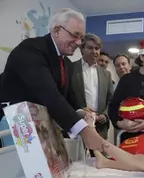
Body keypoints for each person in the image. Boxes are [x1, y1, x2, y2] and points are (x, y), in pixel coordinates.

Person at [0, 8, 106, 151]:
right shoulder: (31, 50)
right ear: (57, 30)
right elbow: (49, 95)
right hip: (13, 126)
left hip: (39, 129)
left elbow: (68, 97)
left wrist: (82, 112)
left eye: (81, 38)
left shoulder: (65, 63)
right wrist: (85, 131)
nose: (78, 42)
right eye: (75, 35)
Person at [70, 33, 114, 141]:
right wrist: (79, 110)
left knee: (99, 158)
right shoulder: (70, 68)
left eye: (97, 48)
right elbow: (65, 95)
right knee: (77, 157)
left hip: (100, 127)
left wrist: (105, 115)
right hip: (77, 124)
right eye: (90, 48)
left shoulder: (106, 74)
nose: (94, 51)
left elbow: (111, 100)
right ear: (82, 49)